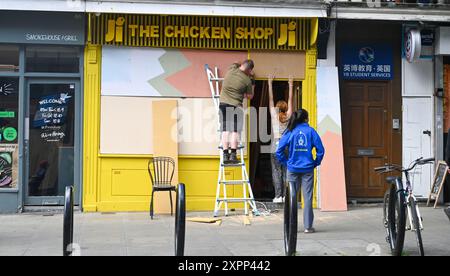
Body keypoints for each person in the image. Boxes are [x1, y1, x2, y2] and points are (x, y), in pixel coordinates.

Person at [276, 109, 325, 233]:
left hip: (292, 169)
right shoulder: (311, 132)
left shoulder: (290, 131)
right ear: (306, 119)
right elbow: (321, 150)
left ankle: (290, 226)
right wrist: (316, 162)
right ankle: (308, 227)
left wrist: (286, 162)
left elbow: (279, 151)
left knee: (291, 198)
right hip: (308, 169)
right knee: (307, 197)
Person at [219, 60, 256, 164]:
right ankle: (233, 156)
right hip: (236, 106)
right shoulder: (247, 80)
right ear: (249, 70)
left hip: (223, 104)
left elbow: (235, 62)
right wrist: (252, 81)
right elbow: (250, 96)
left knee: (225, 130)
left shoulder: (231, 69)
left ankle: (225, 155)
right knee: (234, 131)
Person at [268, 74, 294, 203]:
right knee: (286, 170)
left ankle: (278, 196)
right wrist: (290, 84)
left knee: (276, 170)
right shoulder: (288, 115)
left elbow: (271, 99)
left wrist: (269, 83)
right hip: (287, 146)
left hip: (275, 146)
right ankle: (285, 196)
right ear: (286, 108)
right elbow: (290, 100)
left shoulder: (273, 114)